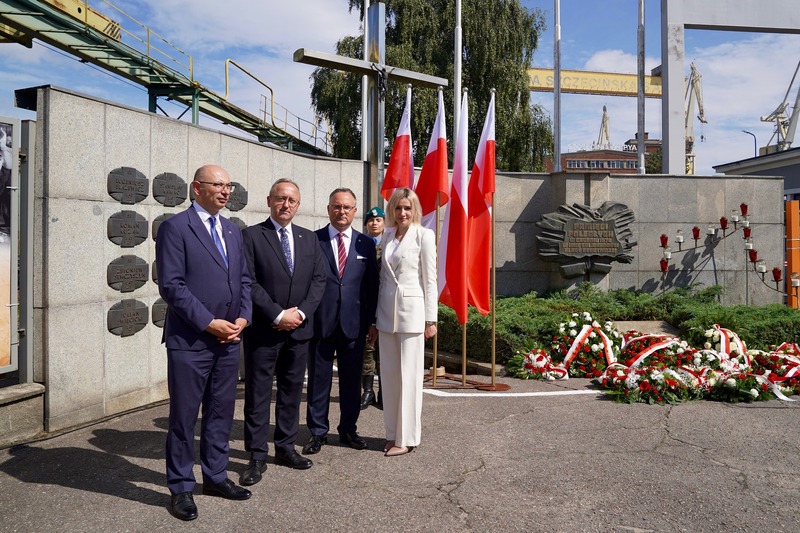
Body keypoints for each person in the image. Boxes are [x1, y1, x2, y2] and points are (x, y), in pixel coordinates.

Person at [156, 164, 253, 521]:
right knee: (184, 417)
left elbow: (244, 280)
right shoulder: (175, 228)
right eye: (219, 185)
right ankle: (181, 486)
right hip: (192, 341)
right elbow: (172, 285)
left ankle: (215, 475)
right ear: (197, 188)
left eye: (230, 185)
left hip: (229, 340)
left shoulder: (232, 230)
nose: (226, 192)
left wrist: (243, 317)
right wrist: (210, 322)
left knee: (220, 412)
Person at [241, 178, 326, 484]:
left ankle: (285, 447)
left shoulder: (308, 239)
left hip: (299, 331)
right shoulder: (251, 235)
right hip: (265, 330)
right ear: (269, 201)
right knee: (258, 394)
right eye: (280, 199)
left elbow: (319, 280)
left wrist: (300, 313)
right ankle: (255, 455)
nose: (285, 204)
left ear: (298, 204)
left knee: (291, 393)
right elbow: (248, 281)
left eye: (291, 200)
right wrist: (277, 313)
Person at [302, 189, 379, 455]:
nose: (342, 212)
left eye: (347, 207)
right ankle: (317, 432)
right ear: (328, 209)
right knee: (318, 381)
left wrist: (372, 322)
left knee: (350, 381)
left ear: (355, 211)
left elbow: (372, 287)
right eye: (337, 206)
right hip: (320, 324)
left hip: (354, 325)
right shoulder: (313, 241)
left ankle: (348, 428)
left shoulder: (365, 244)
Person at [373, 188, 437, 457]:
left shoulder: (424, 235)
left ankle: (408, 437)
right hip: (386, 314)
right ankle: (392, 434)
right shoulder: (386, 234)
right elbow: (382, 280)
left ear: (415, 210)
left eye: (407, 208)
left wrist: (431, 319)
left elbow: (430, 279)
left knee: (409, 378)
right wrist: (376, 318)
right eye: (398, 208)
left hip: (412, 315)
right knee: (388, 377)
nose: (402, 213)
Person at [360, 206, 385, 410]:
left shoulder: (391, 244)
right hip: (368, 302)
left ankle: (384, 393)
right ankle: (367, 391)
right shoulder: (361, 244)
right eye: (371, 221)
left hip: (385, 301)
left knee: (384, 350)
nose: (374, 223)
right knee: (368, 348)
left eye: (378, 220)